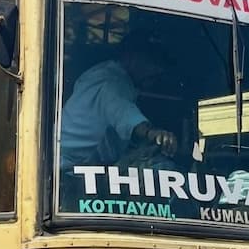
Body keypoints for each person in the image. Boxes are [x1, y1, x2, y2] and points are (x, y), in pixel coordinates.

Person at [59, 25, 179, 173]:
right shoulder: (112, 81)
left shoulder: (106, 75)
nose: (158, 69)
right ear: (130, 57)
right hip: (66, 173)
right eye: (152, 61)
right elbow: (123, 112)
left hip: (83, 167)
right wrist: (153, 133)